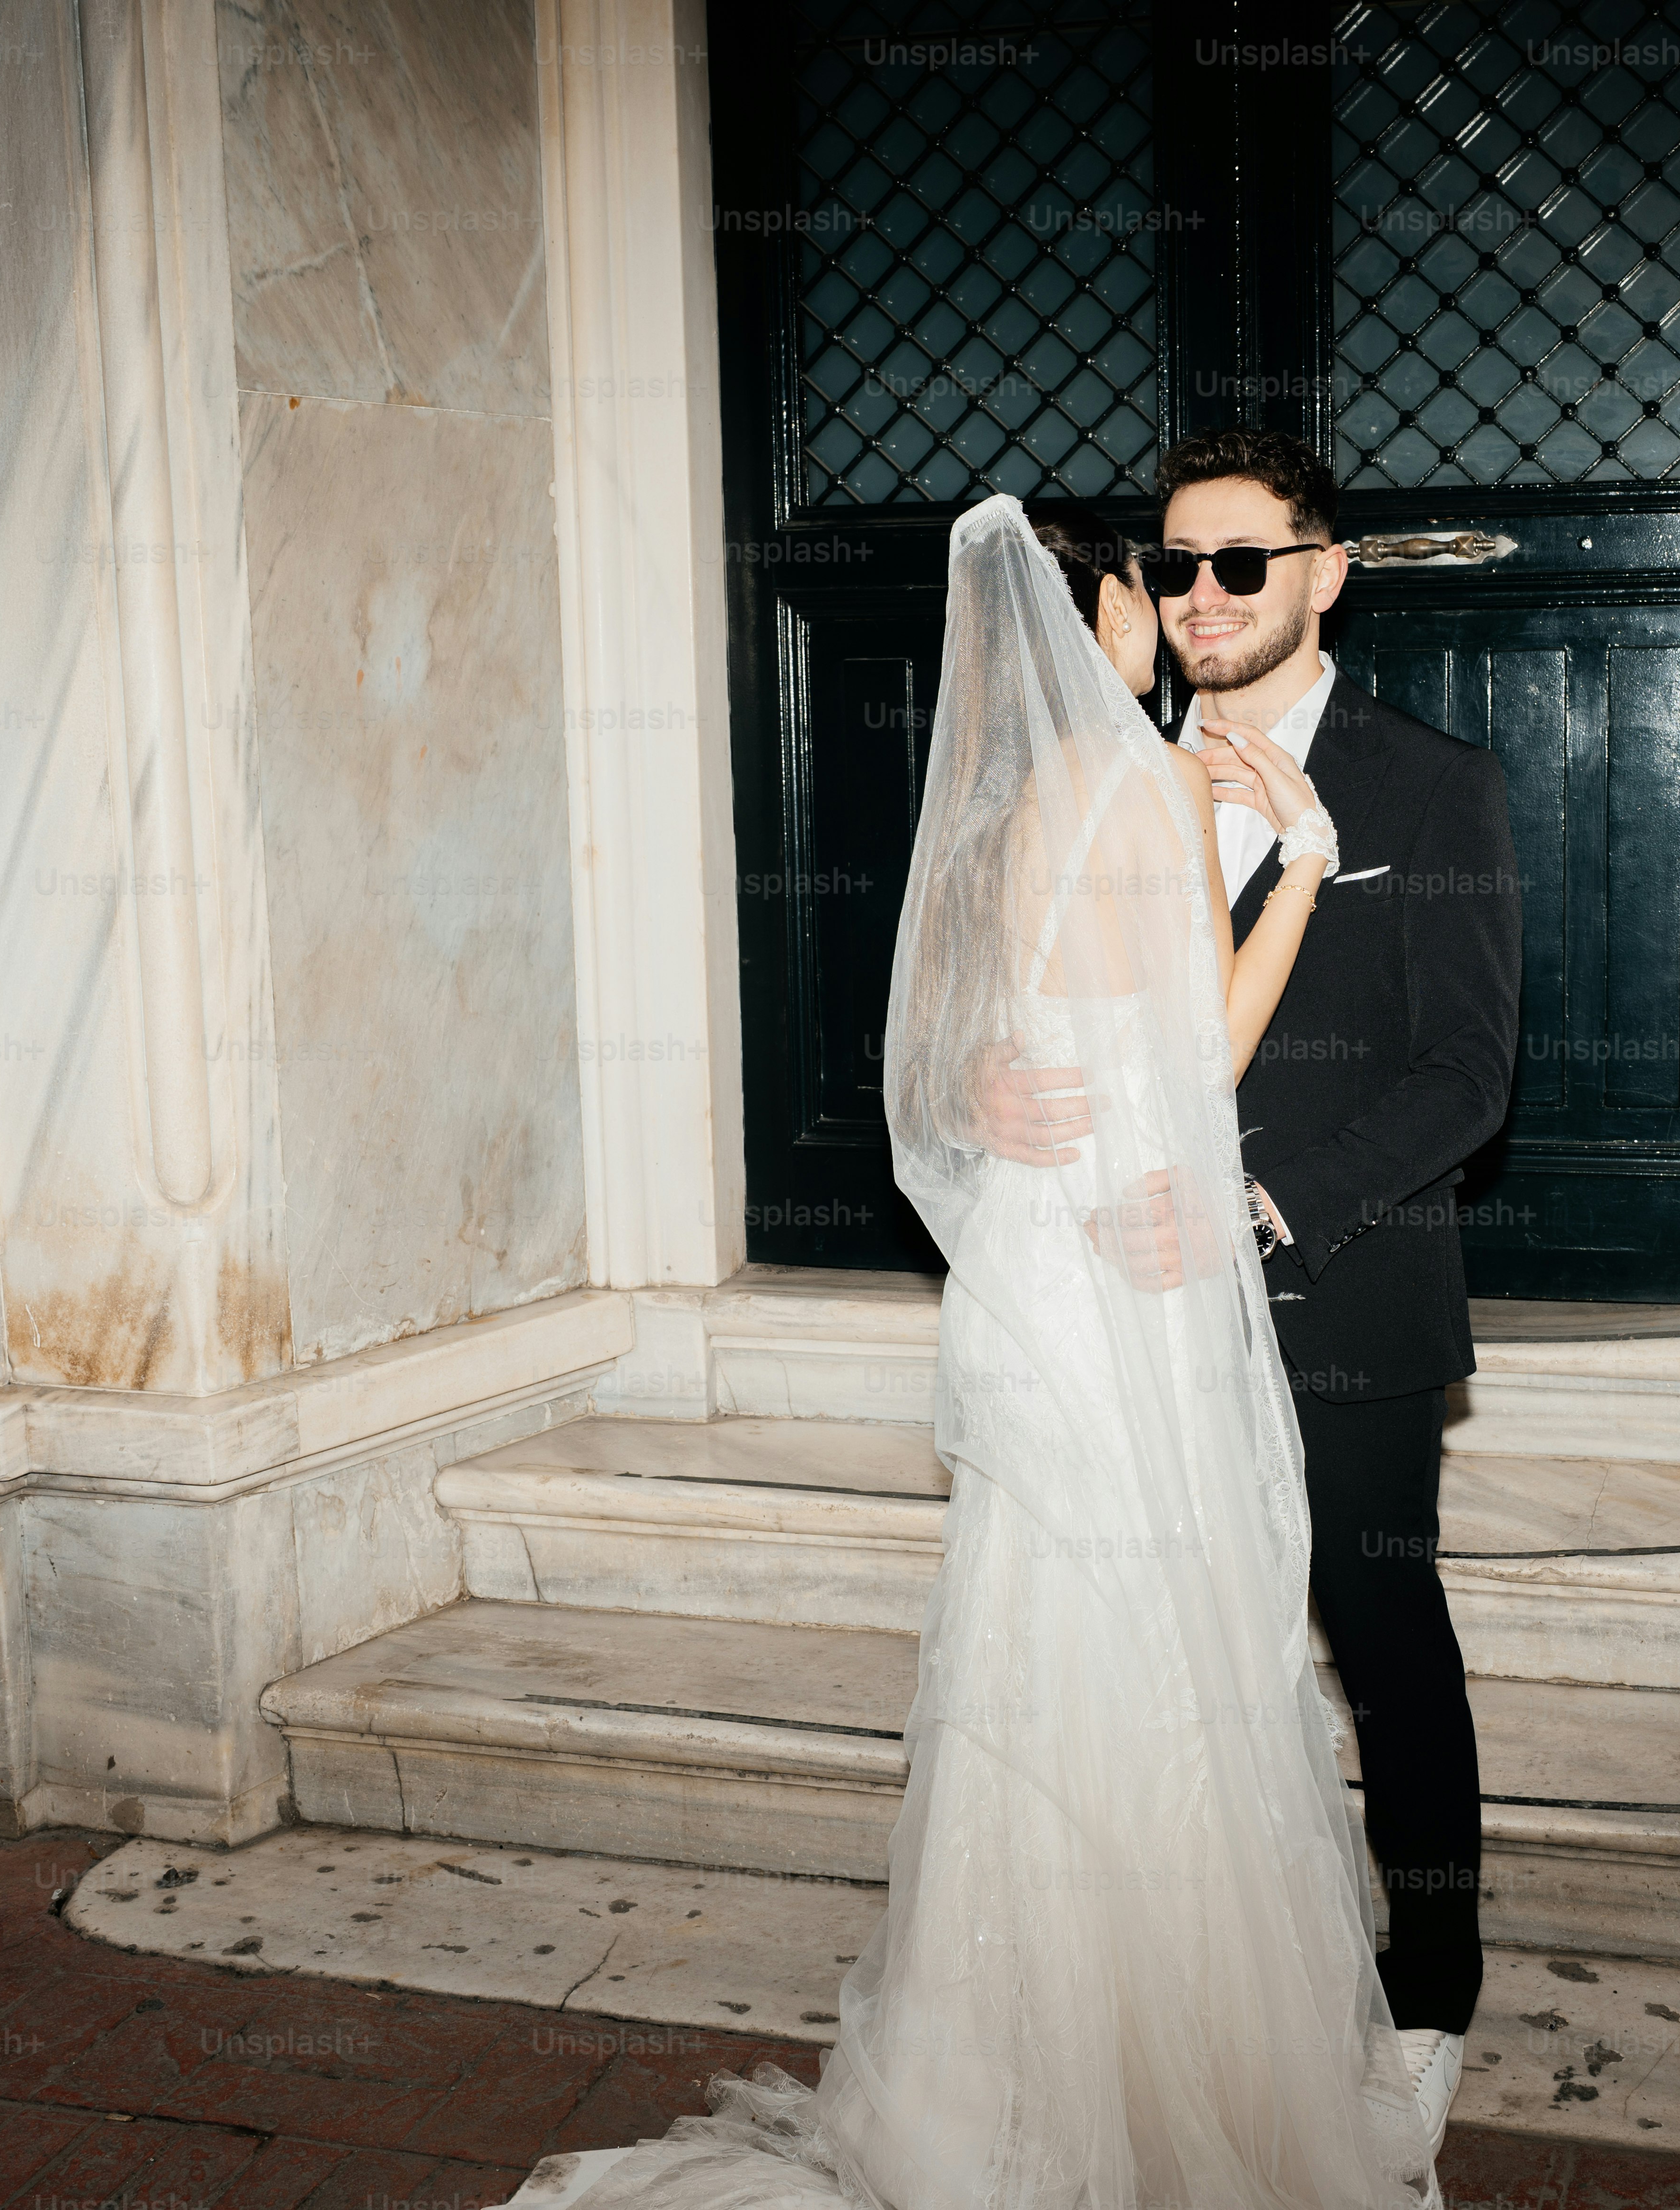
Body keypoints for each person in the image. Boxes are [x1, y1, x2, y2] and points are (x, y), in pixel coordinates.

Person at [503, 490, 1432, 2210]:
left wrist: (1008, 1097)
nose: (1169, 604)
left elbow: (963, 1051)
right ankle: (1149, 2084)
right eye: (1147, 585)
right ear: (1117, 619)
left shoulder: (1001, 812)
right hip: (1123, 1267)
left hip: (1033, 1268)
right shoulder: (1144, 780)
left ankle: (989, 2077)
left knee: (1030, 1634)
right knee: (1162, 1647)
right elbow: (1198, 1062)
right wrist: (1299, 872)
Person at [980, 430, 1519, 2140]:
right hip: (1126, 1323)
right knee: (1187, 1671)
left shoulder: (1429, 785)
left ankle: (1429, 2004)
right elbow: (982, 986)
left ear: (1324, 572)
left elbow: (1468, 1078)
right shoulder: (1099, 769)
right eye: (1180, 565)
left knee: (1383, 1651)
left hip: (1335, 1304)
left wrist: (1271, 1208)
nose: (1204, 595)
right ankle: (1221, 2016)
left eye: (1243, 563)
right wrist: (986, 1085)